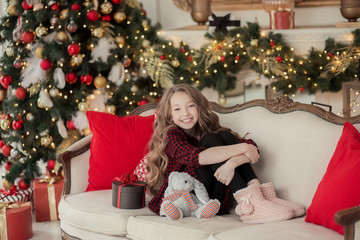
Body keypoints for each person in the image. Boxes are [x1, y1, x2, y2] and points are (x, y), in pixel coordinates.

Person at [146, 83, 305, 223]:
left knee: (226, 136)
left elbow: (252, 148)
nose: (185, 113)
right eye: (177, 109)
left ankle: (261, 198)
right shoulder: (171, 134)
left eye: (191, 106)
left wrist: (231, 164)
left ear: (199, 107)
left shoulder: (207, 130)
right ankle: (250, 204)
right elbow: (196, 157)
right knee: (210, 141)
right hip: (190, 199)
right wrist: (242, 149)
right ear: (170, 115)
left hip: (214, 199)